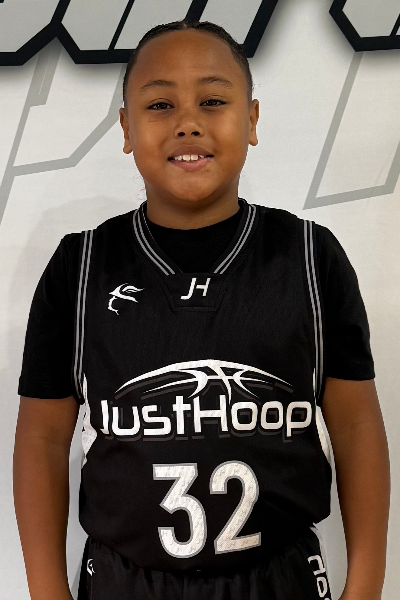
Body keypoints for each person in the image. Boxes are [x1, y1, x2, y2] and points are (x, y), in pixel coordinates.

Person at [13, 19, 390, 600]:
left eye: (213, 101)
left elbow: (357, 424)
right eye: (160, 104)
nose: (188, 122)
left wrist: (365, 586)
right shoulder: (80, 266)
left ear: (252, 120)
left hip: (279, 579)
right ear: (126, 129)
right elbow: (41, 437)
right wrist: (46, 591)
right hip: (122, 582)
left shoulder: (311, 258)